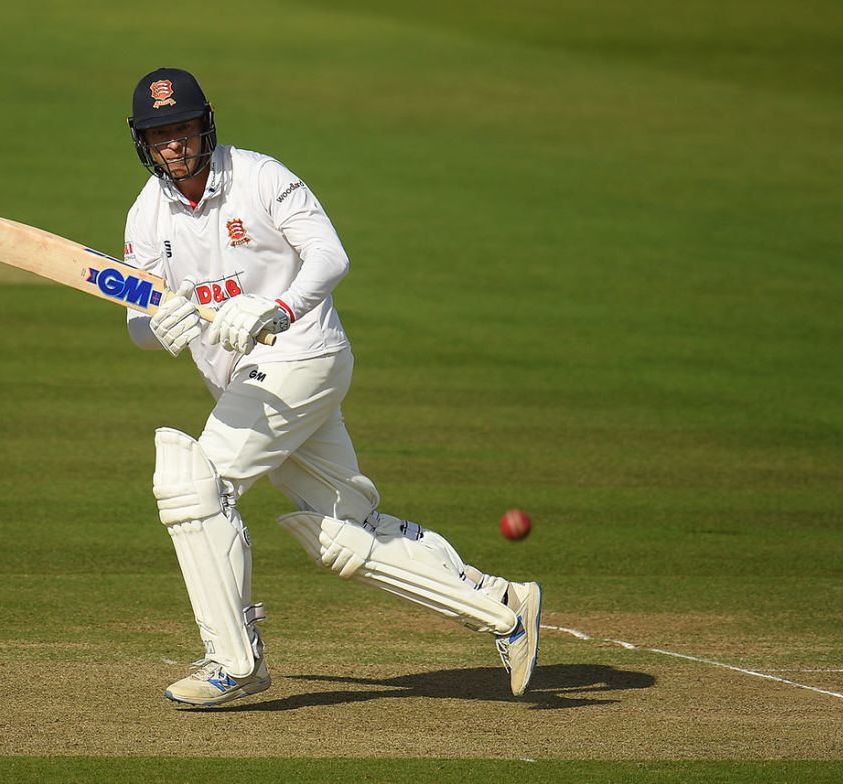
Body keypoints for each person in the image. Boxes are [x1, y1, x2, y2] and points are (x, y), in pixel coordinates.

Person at [122, 67, 542, 707]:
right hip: (247, 381)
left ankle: (232, 658)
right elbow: (138, 322)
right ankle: (500, 606)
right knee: (342, 529)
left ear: (204, 125)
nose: (174, 144)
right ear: (145, 144)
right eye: (160, 135)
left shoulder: (261, 178)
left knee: (195, 483)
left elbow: (329, 255)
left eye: (182, 127)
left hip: (302, 352)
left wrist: (279, 309)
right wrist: (161, 321)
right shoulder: (147, 215)